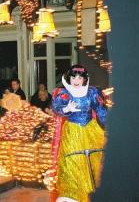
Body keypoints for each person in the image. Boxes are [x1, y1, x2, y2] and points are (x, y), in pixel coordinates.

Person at [51, 65, 107, 202]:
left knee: (94, 159)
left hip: (90, 131)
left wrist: (110, 125)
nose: (76, 80)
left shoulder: (92, 92)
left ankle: (91, 191)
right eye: (73, 77)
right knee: (72, 161)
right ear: (69, 78)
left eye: (80, 77)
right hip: (72, 131)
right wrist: (67, 108)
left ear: (84, 79)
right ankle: (72, 195)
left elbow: (101, 111)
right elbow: (56, 108)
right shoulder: (64, 93)